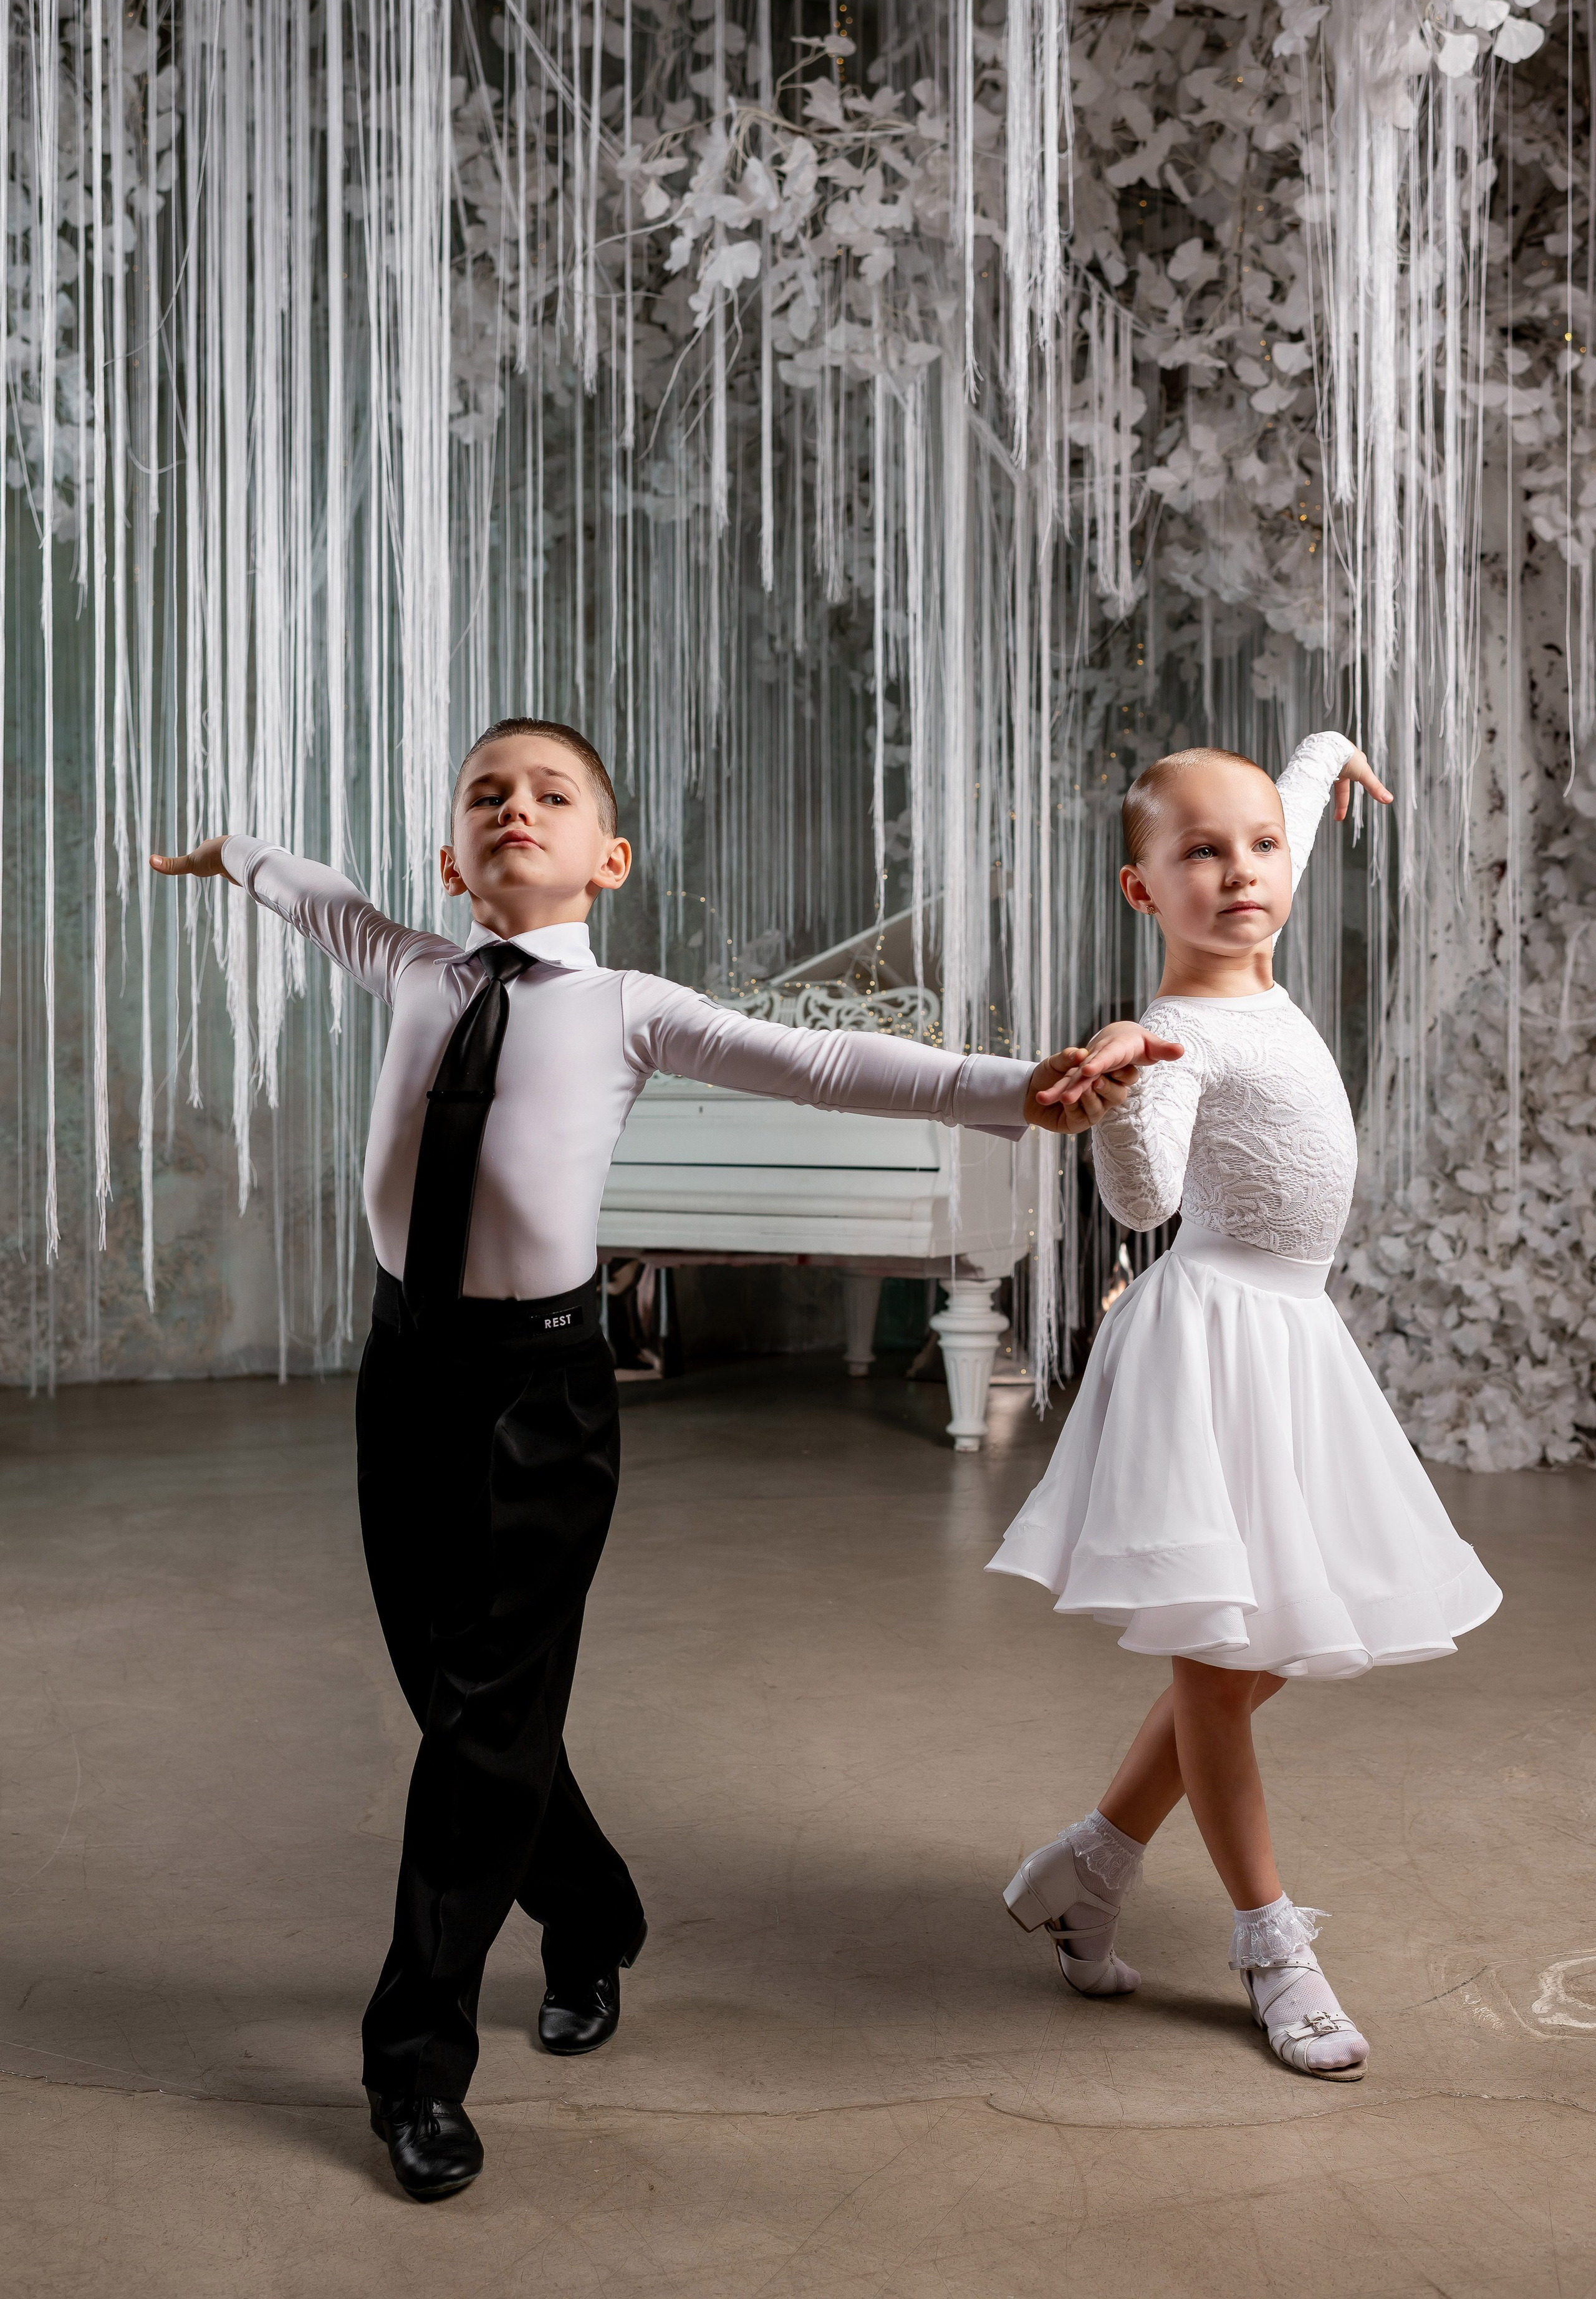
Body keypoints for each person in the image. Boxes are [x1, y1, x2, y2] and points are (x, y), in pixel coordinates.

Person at [151, 717, 1175, 2202]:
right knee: (457, 1703)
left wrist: (1012, 1088)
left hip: (537, 1393)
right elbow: (312, 891)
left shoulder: (629, 1005)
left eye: (549, 795)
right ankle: (593, 1911)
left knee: (481, 1722)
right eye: (486, 796)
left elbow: (822, 1058)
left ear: (605, 859)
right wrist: (228, 853)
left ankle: (415, 2064)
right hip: (407, 1373)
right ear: (453, 856)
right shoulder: (416, 965)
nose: (515, 809)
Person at [986, 731, 1502, 2083]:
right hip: (1212, 1338)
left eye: (1258, 845)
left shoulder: (1257, 916)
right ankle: (1269, 1943)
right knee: (1220, 1666)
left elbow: (1273, 823)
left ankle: (1084, 1870)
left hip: (1291, 1338)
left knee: (1256, 1650)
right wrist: (1117, 1083)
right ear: (1138, 889)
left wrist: (1323, 762)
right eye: (1198, 855)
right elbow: (1145, 1204)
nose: (1240, 872)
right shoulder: (1181, 1036)